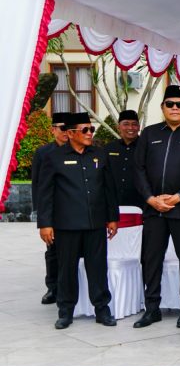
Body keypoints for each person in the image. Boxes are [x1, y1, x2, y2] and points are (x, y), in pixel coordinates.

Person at [132, 85, 180, 329]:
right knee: (151, 259)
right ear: (162, 107)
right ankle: (152, 308)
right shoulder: (149, 133)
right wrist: (150, 199)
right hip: (154, 208)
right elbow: (138, 169)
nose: (174, 108)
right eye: (170, 104)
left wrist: (178, 197)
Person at [35, 113, 119, 329]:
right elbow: (45, 193)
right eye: (85, 130)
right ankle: (65, 311)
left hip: (95, 224)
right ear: (71, 133)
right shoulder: (53, 157)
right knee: (66, 269)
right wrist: (45, 224)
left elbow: (109, 188)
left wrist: (112, 218)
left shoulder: (99, 154)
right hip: (67, 225)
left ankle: (102, 309)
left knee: (98, 268)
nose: (90, 133)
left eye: (92, 129)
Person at [32, 111, 69, 305]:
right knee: (53, 252)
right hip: (53, 211)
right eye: (62, 128)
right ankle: (53, 288)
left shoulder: (80, 149)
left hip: (74, 209)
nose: (65, 132)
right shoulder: (43, 153)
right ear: (53, 130)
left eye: (68, 128)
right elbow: (37, 185)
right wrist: (41, 216)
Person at [104, 110, 144, 208]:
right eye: (126, 124)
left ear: (139, 127)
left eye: (134, 124)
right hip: (113, 203)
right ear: (118, 127)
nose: (130, 128)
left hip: (140, 204)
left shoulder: (146, 147)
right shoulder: (108, 148)